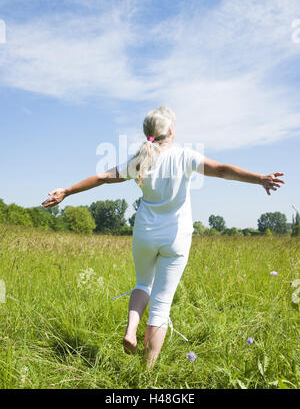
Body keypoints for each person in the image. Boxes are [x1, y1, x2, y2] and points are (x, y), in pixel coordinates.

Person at [42, 105, 285, 368]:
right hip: (176, 237)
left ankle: (130, 331)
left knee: (142, 284)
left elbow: (102, 178)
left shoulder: (140, 160)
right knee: (161, 304)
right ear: (170, 130)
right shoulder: (184, 155)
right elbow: (223, 170)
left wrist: (66, 191)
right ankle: (146, 374)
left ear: (149, 133)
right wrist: (260, 178)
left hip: (144, 234)